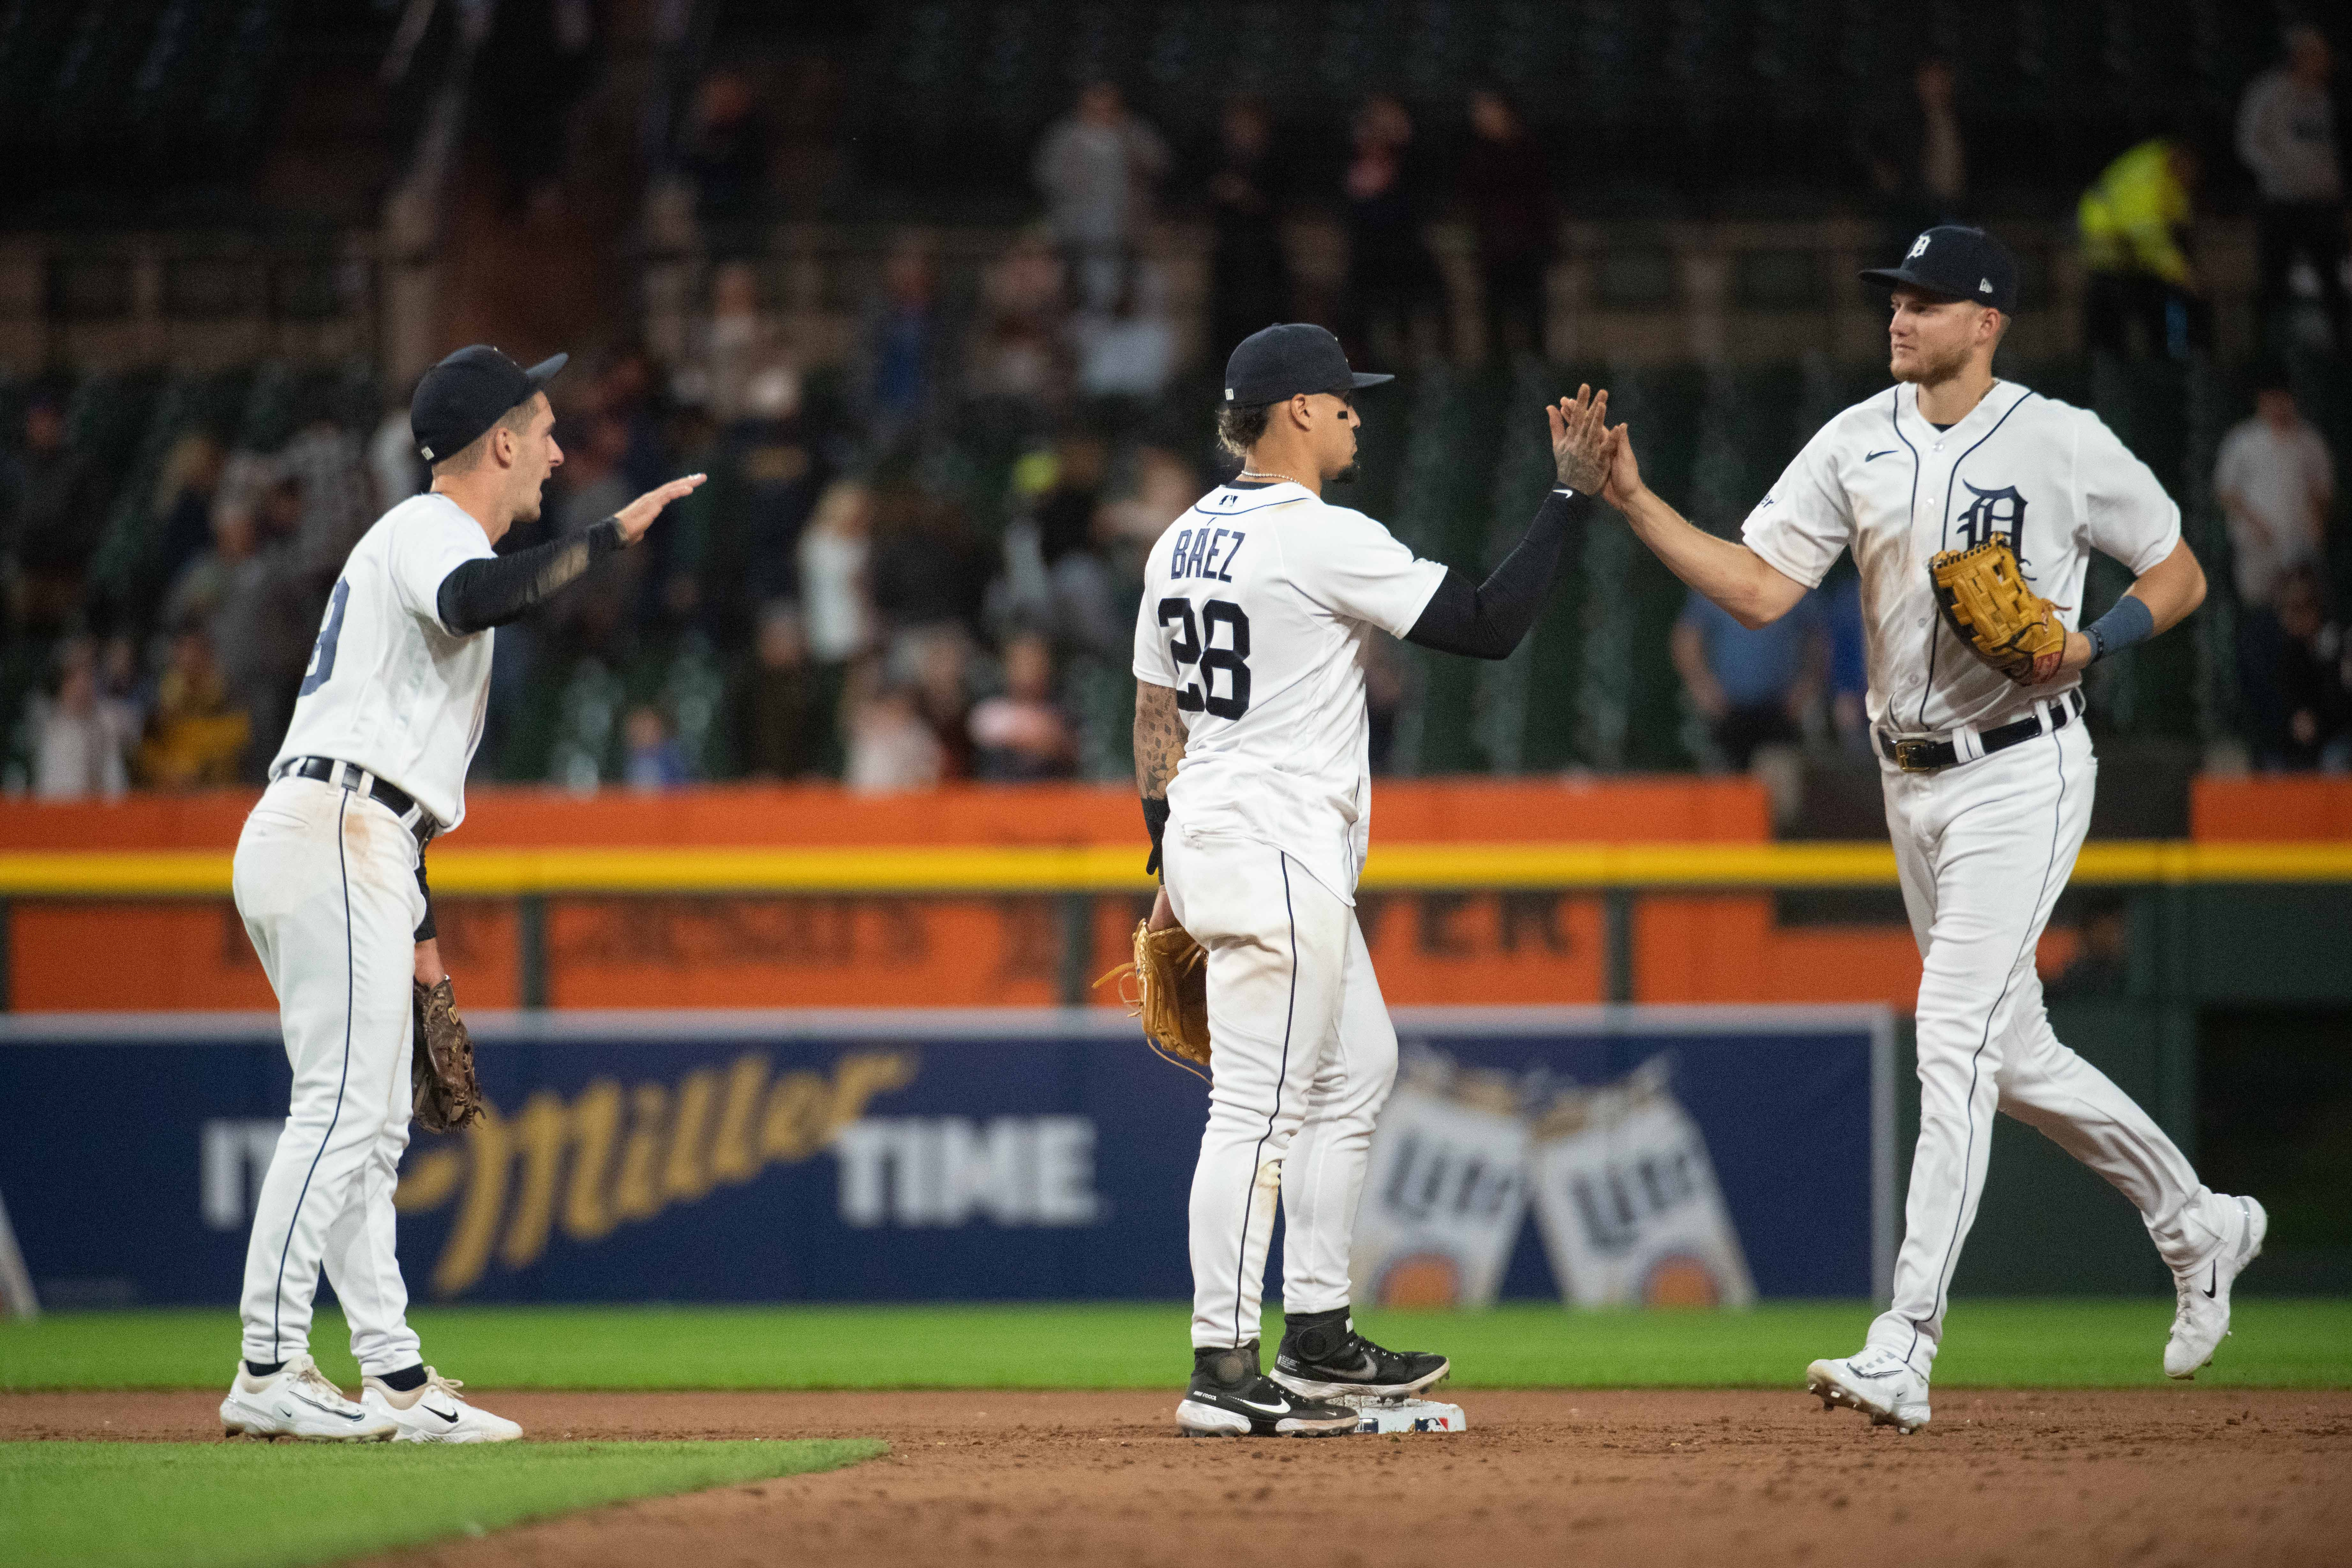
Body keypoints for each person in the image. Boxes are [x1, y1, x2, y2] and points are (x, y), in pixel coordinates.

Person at [1593, 226, 2264, 1434]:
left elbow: (2178, 572)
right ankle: (2199, 1220)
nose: (1900, 316)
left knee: (1949, 1032)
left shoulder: (2061, 439)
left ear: (1989, 319)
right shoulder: (1855, 438)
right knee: (2008, 1054)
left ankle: (1904, 1343)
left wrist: (2088, 641)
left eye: (1929, 299)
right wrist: (1634, 500)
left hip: (2027, 765)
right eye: (1895, 298)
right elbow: (1756, 586)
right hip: (1908, 780)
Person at [1133, 323, 1615, 1436]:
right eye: (1345, 400)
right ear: (1297, 410)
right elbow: (1490, 628)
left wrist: (1168, 852)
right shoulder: (1315, 534)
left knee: (1361, 1068)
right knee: (1255, 1112)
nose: (1357, 414)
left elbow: (1156, 710)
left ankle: (1316, 1336)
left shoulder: (1181, 539)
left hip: (1222, 833)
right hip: (1280, 847)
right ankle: (1219, 1364)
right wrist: (1569, 499)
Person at [219, 345, 703, 1443]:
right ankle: (267, 1361)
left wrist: (425, 940)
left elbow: (397, 760)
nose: (558, 451)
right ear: (497, 442)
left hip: (361, 827)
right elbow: (481, 599)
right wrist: (610, 535)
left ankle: (392, 1374)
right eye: (542, 429)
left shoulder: (419, 537)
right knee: (343, 1108)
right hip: (337, 825)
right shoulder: (432, 530)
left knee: (370, 1121)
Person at [2216, 374, 2335, 755]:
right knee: (2262, 639)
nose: (2279, 407)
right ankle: (2267, 722)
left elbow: (2322, 492)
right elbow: (2228, 492)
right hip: (2259, 561)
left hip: (2299, 560)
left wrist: (2314, 538)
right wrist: (2259, 526)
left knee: (2305, 641)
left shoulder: (2308, 440)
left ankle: (2312, 718)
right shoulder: (2244, 441)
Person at [2237, 26, 2348, 356]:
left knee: (2332, 283)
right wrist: (2286, 176)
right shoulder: (2269, 92)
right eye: (2319, 55)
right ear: (2301, 56)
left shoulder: (2322, 96)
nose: (2326, 62)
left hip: (2322, 204)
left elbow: (2326, 152)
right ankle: (2271, 358)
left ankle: (2339, 356)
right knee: (2275, 286)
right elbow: (2250, 144)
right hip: (2282, 204)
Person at [1032, 81, 1170, 312]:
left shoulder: (1132, 132)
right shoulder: (1066, 136)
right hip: (1076, 226)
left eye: (1108, 106)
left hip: (1123, 225)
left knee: (1119, 287)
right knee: (1078, 288)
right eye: (1095, 106)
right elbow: (1044, 174)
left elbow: (1161, 163)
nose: (1101, 112)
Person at [2079, 138, 2208, 358]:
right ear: (2181, 161)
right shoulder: (2147, 179)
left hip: (2129, 239)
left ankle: (2153, 355)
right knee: (2114, 301)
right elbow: (2150, 239)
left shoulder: (2167, 171)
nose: (2193, 180)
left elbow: (2175, 217)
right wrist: (2185, 276)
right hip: (2105, 233)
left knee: (2149, 298)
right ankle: (2108, 362)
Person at [1670, 586, 1825, 769]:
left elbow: (1818, 639)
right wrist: (1702, 688)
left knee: (1779, 787)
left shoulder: (1794, 577)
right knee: (1725, 791)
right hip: (1724, 714)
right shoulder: (1714, 578)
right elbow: (1686, 639)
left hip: (1783, 713)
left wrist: (1807, 688)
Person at [1340, 95, 1443, 365]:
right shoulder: (1352, 165)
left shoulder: (1410, 166)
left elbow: (1419, 204)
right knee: (1369, 329)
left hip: (1405, 260)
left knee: (1410, 324)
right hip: (1368, 263)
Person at [1460, 88, 1556, 363]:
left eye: (1486, 110)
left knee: (1534, 323)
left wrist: (1547, 246)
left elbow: (1542, 202)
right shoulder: (1479, 155)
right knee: (1495, 326)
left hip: (1527, 249)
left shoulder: (1528, 151)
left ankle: (1538, 384)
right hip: (1494, 251)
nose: (1479, 118)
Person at [1205, 99, 1290, 359]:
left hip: (1263, 256)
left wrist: (1245, 196)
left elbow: (1282, 205)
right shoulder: (1218, 159)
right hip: (1229, 254)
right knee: (1229, 323)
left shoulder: (1276, 161)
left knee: (1265, 323)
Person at [2272, 564, 2352, 771]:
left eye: (2301, 607)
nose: (2292, 616)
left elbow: (2341, 705)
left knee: (2335, 761)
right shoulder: (2287, 652)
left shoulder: (2341, 643)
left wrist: (2316, 722)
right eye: (2285, 607)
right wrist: (2298, 718)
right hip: (2306, 744)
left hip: (2339, 738)